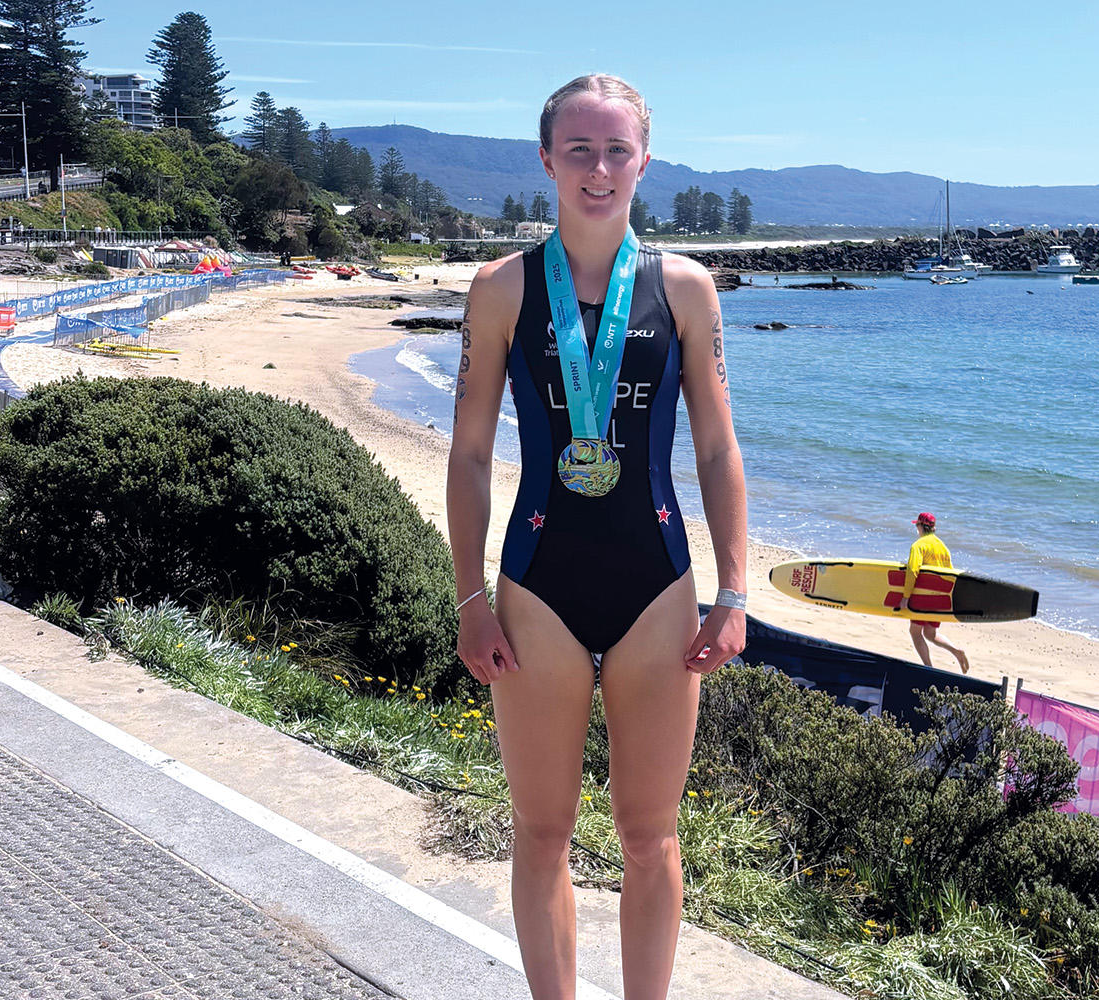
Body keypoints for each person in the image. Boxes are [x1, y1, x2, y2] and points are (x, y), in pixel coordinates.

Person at [446, 74, 748, 1000]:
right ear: (547, 160)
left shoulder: (685, 288)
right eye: (579, 149)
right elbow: (469, 454)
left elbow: (716, 448)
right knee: (542, 834)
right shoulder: (502, 288)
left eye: (617, 150)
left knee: (650, 837)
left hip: (656, 588)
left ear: (644, 162)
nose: (599, 168)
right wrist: (469, 599)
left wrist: (734, 592)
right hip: (537, 588)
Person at [898, 512, 970, 673]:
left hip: (924, 597)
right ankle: (956, 651)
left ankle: (928, 667)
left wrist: (906, 597)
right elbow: (950, 574)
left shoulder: (918, 546)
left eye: (917, 525)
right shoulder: (943, 548)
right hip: (940, 599)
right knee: (930, 633)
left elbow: (912, 571)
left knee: (915, 631)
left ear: (920, 526)